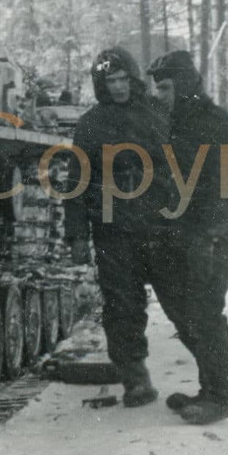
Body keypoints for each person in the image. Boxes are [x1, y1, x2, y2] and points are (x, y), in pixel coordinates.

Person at [146, 50, 228, 425]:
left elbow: (227, 192)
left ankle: (219, 395)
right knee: (182, 310)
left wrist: (206, 239)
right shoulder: (170, 121)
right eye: (156, 88)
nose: (159, 94)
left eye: (166, 87)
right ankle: (224, 380)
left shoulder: (221, 125)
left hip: (217, 232)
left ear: (186, 86)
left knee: (204, 309)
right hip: (182, 232)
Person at [64, 47, 170, 407]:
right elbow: (77, 180)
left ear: (134, 78)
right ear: (101, 84)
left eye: (124, 78)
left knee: (184, 298)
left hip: (159, 222)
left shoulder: (158, 112)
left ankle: (215, 375)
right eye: (111, 80)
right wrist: (77, 233)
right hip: (113, 227)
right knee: (122, 304)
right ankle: (135, 377)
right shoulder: (91, 124)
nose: (119, 86)